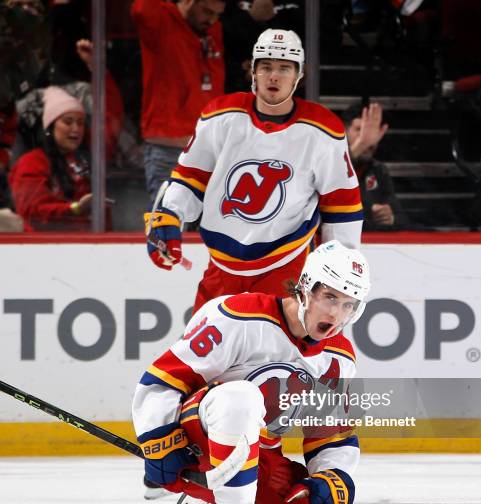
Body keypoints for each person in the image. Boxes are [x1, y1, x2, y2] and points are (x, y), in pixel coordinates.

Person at [133, 240, 370, 504]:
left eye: (348, 305)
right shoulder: (239, 315)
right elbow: (163, 379)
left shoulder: (338, 358)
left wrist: (332, 478)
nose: (336, 314)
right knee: (241, 398)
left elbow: (330, 432)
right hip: (200, 440)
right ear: (305, 287)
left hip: (261, 462)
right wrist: (159, 437)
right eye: (330, 297)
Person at [146, 28, 363, 314]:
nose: (274, 76)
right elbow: (191, 177)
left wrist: (338, 265)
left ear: (299, 75)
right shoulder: (220, 116)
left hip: (288, 264)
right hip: (223, 264)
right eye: (266, 67)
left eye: (284, 68)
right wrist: (170, 216)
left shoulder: (322, 130)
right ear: (253, 72)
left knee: (281, 353)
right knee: (204, 355)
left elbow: (341, 205)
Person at [131, 0, 226, 201]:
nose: (212, 19)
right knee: (166, 224)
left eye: (218, 14)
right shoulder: (162, 20)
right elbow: (141, 8)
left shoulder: (212, 30)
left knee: (212, 227)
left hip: (210, 150)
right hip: (168, 148)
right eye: (207, 11)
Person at [9, 86, 101, 230]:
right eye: (68, 122)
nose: (76, 129)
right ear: (50, 127)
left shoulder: (80, 162)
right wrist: (74, 208)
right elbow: (32, 212)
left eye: (80, 122)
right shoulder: (31, 163)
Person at [345, 103, 409, 230]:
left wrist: (391, 218)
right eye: (359, 130)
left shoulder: (378, 170)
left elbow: (402, 219)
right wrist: (360, 145)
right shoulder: (325, 164)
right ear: (344, 131)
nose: (368, 138)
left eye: (372, 132)